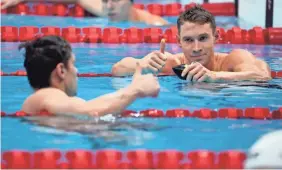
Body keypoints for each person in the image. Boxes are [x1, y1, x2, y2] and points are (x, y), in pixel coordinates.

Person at [111, 5, 272, 82]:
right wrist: (142, 65)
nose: (196, 48)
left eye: (203, 38)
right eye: (188, 40)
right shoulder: (172, 63)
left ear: (216, 37)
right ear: (178, 41)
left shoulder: (233, 59)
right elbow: (117, 69)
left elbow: (262, 77)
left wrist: (215, 76)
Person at [19, 35, 160, 116]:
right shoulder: (47, 95)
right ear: (61, 70)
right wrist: (135, 89)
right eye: (73, 64)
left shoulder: (48, 103)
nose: (77, 71)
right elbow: (90, 111)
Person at [1, 0, 169, 26]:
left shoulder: (154, 24)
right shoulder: (106, 9)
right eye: (105, 0)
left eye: (115, 0)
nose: (109, 6)